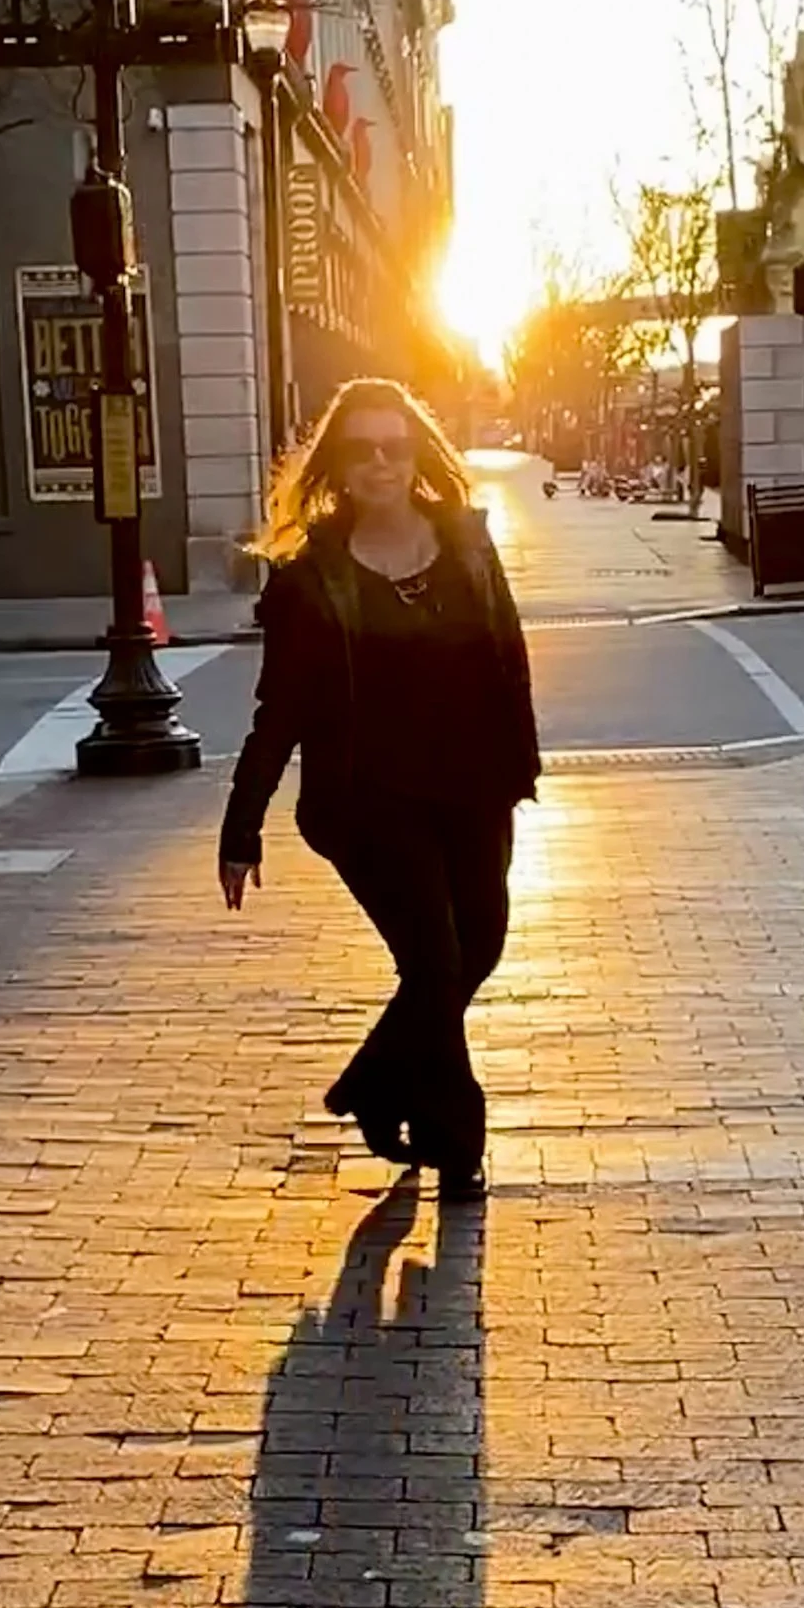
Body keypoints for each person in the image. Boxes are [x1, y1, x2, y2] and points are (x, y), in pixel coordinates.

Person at [219, 378, 539, 1197]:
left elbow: (509, 654)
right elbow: (278, 709)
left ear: (416, 453)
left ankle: (373, 1081)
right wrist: (241, 824)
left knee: (482, 946)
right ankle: (454, 1143)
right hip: (366, 803)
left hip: (471, 788)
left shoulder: (466, 542)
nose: (380, 462)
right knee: (434, 963)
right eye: (360, 448)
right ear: (339, 464)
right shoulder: (309, 580)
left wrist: (518, 769)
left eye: (394, 445)